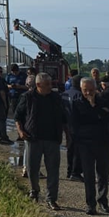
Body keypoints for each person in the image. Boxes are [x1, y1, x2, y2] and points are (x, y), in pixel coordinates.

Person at [15, 72, 70, 209]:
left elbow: (64, 118)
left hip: (52, 139)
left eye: (51, 84)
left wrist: (68, 136)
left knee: (53, 170)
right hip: (33, 138)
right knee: (33, 169)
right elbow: (18, 116)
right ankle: (34, 191)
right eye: (47, 85)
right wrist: (21, 131)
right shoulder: (28, 97)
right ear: (38, 85)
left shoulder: (56, 98)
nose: (50, 87)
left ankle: (51, 198)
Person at [69, 76, 109, 215]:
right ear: (81, 89)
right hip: (85, 143)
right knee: (88, 175)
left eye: (91, 90)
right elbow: (76, 122)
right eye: (85, 90)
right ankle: (90, 203)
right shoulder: (76, 103)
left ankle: (103, 200)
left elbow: (107, 117)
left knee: (103, 173)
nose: (88, 93)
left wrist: (94, 106)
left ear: (95, 88)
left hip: (102, 141)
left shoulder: (103, 100)